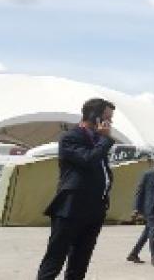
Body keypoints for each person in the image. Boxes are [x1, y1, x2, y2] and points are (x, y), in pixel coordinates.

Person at [37, 97, 115, 280]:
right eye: (107, 118)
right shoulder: (70, 137)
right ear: (95, 117)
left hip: (95, 208)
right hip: (71, 208)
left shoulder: (98, 140)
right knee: (55, 258)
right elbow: (88, 159)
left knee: (80, 261)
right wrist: (104, 139)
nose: (110, 123)